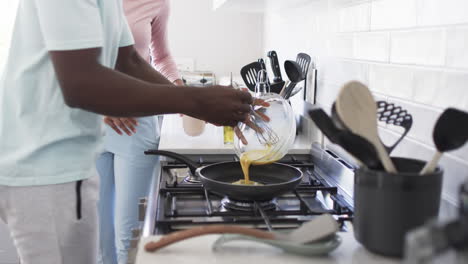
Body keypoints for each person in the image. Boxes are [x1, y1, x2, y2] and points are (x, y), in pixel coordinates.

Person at [0, 0, 252, 263]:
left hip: (70, 159)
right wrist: (197, 102)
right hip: (42, 164)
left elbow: (128, 60)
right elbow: (80, 83)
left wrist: (200, 106)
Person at [96, 0, 183, 263]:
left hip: (137, 124)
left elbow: (161, 56)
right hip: (90, 121)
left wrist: (181, 92)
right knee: (97, 240)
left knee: (131, 237)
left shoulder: (158, 3)